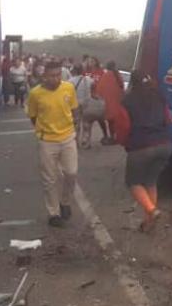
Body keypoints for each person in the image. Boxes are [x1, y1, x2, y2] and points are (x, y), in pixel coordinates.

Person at [26, 61, 81, 227]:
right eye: (52, 75)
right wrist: (42, 130)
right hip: (47, 140)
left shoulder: (68, 88)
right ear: (44, 76)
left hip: (67, 137)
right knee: (49, 179)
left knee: (71, 173)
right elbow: (33, 116)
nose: (55, 78)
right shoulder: (35, 94)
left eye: (58, 75)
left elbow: (74, 109)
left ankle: (65, 202)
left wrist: (74, 128)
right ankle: (53, 213)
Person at [122, 69, 172, 232]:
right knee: (151, 182)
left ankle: (152, 211)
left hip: (141, 146)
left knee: (133, 182)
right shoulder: (159, 95)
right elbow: (168, 118)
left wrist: (125, 143)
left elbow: (123, 125)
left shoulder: (127, 99)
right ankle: (148, 222)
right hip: (164, 145)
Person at [93, 60, 130, 146]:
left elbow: (99, 89)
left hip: (108, 103)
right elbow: (122, 88)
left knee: (110, 121)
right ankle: (117, 137)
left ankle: (112, 137)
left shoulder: (106, 76)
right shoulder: (117, 75)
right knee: (116, 120)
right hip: (117, 102)